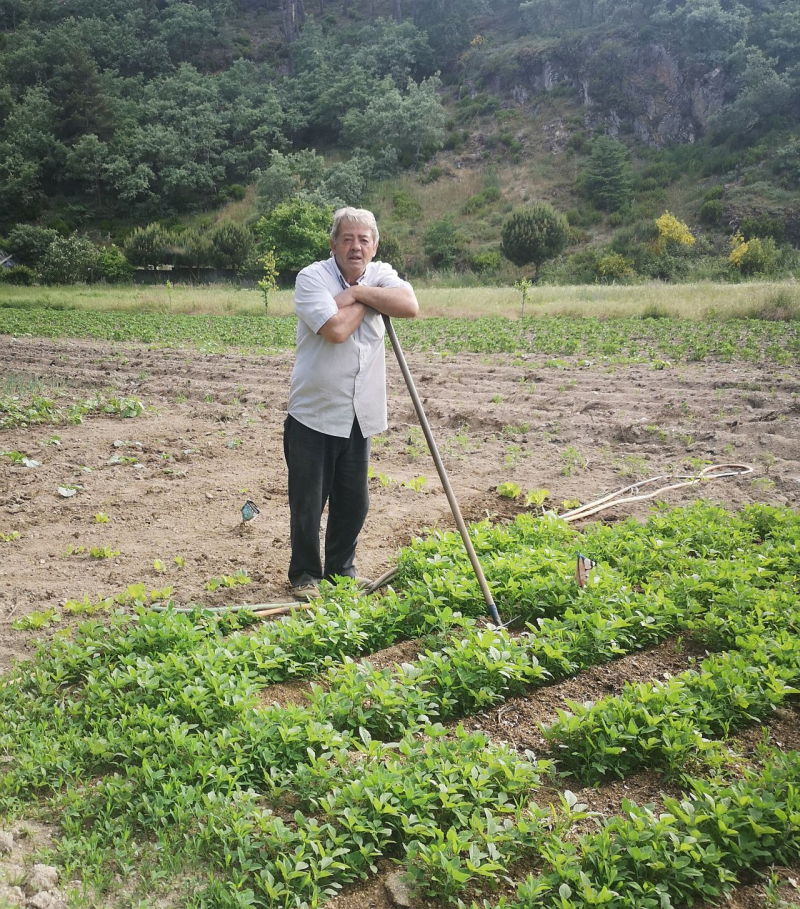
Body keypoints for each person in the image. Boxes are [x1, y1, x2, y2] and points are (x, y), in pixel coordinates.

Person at [283, 207, 419, 601]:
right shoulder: (312, 278)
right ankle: (306, 574)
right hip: (314, 413)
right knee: (308, 503)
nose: (355, 246)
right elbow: (337, 329)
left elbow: (409, 306)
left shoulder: (381, 274)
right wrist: (376, 302)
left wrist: (358, 292)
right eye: (347, 238)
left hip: (360, 414)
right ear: (333, 244)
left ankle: (341, 573)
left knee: (353, 502)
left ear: (374, 246)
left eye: (363, 239)